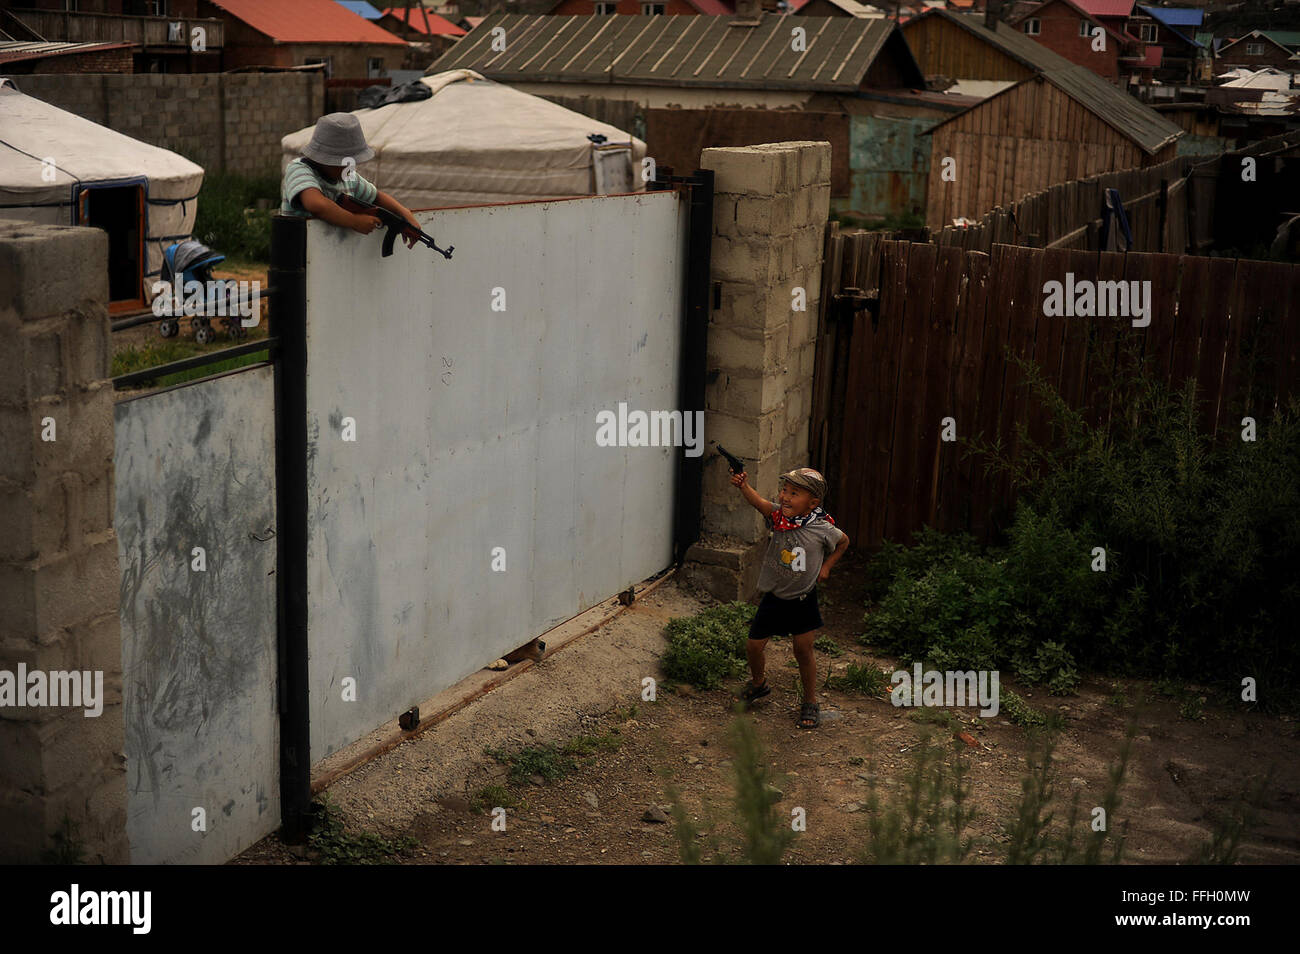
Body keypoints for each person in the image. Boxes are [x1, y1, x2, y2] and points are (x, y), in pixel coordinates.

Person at [729, 465, 849, 729]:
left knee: (803, 650)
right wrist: (743, 486)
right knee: (753, 646)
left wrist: (826, 567)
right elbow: (759, 503)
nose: (785, 497)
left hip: (803, 599)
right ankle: (759, 684)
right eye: (785, 490)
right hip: (774, 597)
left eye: (794, 493)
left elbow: (844, 542)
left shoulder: (822, 529)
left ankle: (809, 700)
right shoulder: (778, 518)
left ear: (813, 502)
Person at [280, 112, 420, 246]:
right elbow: (317, 205)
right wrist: (354, 221)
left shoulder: (348, 178)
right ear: (324, 159)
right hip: (296, 259)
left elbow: (376, 197)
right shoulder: (298, 169)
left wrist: (404, 213)